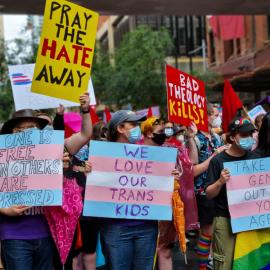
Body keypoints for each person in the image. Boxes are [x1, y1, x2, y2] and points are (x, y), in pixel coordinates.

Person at [0, 93, 92, 270]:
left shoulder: (52, 149)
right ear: (12, 133)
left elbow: (85, 135)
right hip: (14, 236)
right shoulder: (3, 154)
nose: (28, 132)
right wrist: (4, 209)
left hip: (45, 233)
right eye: (21, 129)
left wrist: (86, 109)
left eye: (33, 127)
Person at [100, 110, 161, 270]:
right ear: (120, 128)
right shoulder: (101, 156)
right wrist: (90, 172)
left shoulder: (148, 155)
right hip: (116, 228)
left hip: (147, 227)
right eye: (133, 124)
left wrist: (168, 177)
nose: (137, 129)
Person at [205, 117, 258, 270]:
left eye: (250, 134)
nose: (249, 138)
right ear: (233, 137)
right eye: (244, 135)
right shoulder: (218, 160)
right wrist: (220, 181)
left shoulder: (255, 159)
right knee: (225, 264)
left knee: (249, 263)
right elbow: (209, 193)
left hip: (250, 220)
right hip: (225, 220)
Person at [140, 117, 182, 270]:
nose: (164, 134)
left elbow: (179, 181)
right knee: (146, 253)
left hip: (164, 210)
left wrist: (175, 178)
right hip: (142, 212)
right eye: (160, 131)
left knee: (165, 251)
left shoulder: (169, 152)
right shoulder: (134, 153)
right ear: (149, 134)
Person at [193, 102, 227, 270]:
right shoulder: (195, 139)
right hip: (203, 191)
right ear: (204, 117)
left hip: (219, 188)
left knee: (217, 229)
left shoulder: (217, 136)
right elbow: (192, 171)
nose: (217, 117)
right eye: (214, 114)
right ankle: (202, 266)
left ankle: (214, 262)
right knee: (206, 231)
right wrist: (215, 155)